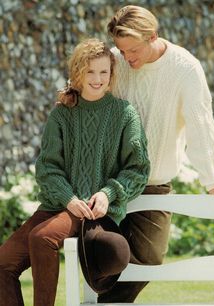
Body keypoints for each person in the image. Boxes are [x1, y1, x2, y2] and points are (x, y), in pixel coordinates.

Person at [96, 5, 214, 303]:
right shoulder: (114, 60)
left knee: (149, 259)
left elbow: (201, 123)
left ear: (153, 36)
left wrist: (213, 179)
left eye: (132, 50)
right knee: (101, 255)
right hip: (108, 181)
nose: (127, 58)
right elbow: (88, 91)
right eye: (122, 51)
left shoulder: (185, 68)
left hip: (154, 182)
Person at [0, 38, 150, 306]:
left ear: (112, 74)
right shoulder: (62, 115)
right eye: (90, 71)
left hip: (93, 211)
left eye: (104, 72)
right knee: (3, 263)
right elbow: (47, 167)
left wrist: (108, 193)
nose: (97, 79)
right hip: (59, 204)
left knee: (42, 237)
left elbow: (138, 169)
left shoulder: (125, 114)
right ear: (79, 72)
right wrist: (68, 197)